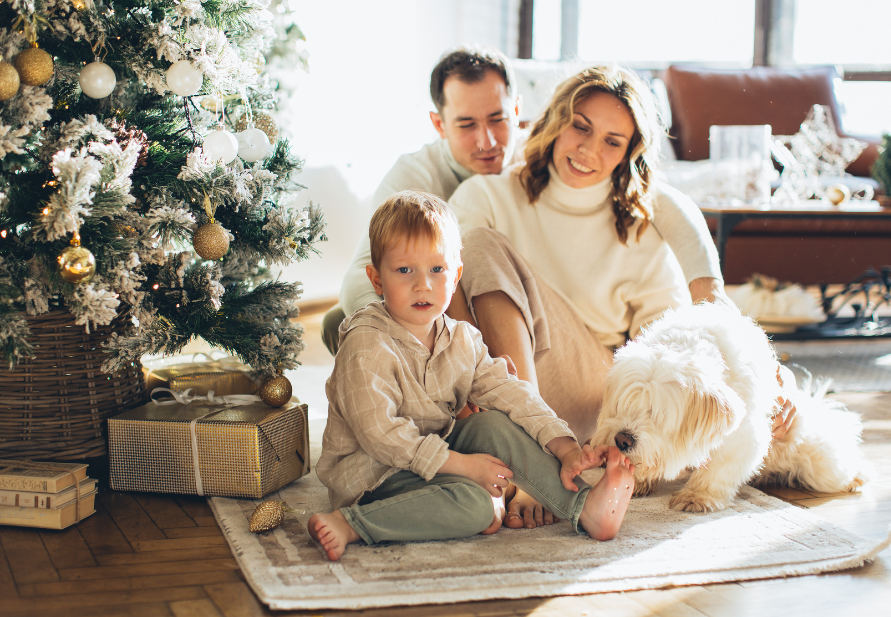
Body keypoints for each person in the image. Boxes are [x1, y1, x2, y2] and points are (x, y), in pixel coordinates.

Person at [446, 65, 796, 528]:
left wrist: (768, 381)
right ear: (554, 122)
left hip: (596, 397)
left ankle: (531, 463)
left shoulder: (639, 222)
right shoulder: (488, 194)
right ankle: (515, 452)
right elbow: (440, 277)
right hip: (497, 377)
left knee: (482, 245)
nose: (590, 150)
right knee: (469, 247)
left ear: (630, 152)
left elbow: (671, 347)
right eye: (581, 127)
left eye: (613, 141)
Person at [323, 46, 725, 357]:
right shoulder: (417, 180)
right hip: (447, 308)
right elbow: (365, 274)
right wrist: (418, 342)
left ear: (517, 113)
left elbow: (662, 199)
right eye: (466, 125)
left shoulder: (543, 157)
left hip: (544, 339)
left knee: (478, 247)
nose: (488, 141)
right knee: (340, 321)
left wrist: (713, 301)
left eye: (498, 119)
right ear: (439, 124)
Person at [308, 190, 636, 561]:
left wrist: (564, 445)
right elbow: (382, 437)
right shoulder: (366, 343)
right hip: (376, 476)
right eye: (404, 270)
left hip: (437, 454)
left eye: (437, 270)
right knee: (477, 507)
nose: (423, 285)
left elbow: (512, 392)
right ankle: (353, 523)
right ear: (376, 279)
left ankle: (583, 506)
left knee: (494, 424)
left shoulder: (461, 339)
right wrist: (463, 466)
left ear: (456, 274)